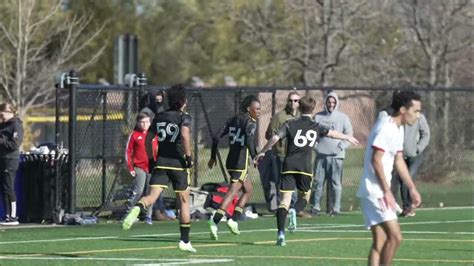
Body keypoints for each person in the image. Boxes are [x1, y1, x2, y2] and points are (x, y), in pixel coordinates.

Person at [254, 96, 358, 246]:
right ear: (313, 109)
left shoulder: (290, 124)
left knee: (284, 201)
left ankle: (281, 235)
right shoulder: (316, 126)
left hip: (288, 165)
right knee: (305, 196)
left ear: (300, 108)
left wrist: (263, 151)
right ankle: (294, 211)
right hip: (305, 167)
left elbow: (275, 137)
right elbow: (332, 133)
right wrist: (347, 137)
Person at [122, 85, 196, 253]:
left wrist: (151, 158)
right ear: (184, 101)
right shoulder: (184, 117)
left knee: (151, 197)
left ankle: (137, 209)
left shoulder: (159, 116)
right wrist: (189, 157)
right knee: (184, 201)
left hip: (161, 162)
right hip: (178, 164)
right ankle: (185, 241)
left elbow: (148, 139)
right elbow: (184, 135)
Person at [356, 90, 422, 265]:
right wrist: (387, 192)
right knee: (396, 237)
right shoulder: (386, 127)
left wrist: (412, 188)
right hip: (375, 191)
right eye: (415, 111)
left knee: (380, 242)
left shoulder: (397, 128)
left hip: (375, 191)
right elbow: (375, 160)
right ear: (402, 110)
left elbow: (399, 159)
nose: (418, 115)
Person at [207, 95, 261, 240]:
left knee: (248, 190)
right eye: (257, 109)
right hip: (240, 162)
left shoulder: (232, 120)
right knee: (232, 192)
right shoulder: (250, 122)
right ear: (249, 109)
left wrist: (213, 156)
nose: (259, 111)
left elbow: (216, 137)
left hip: (230, 160)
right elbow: (249, 139)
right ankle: (215, 221)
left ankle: (233, 220)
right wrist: (255, 156)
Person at [310, 92, 353, 216]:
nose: (331, 104)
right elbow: (312, 135)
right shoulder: (317, 117)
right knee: (318, 182)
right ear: (326, 102)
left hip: (336, 157)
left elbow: (349, 135)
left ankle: (336, 208)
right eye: (329, 102)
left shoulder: (343, 118)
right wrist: (316, 147)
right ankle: (316, 207)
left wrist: (340, 147)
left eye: (334, 102)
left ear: (337, 103)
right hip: (321, 156)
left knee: (336, 184)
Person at [262, 92, 301, 216]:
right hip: (281, 154)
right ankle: (283, 208)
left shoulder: (301, 116)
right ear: (287, 101)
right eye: (290, 100)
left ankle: (294, 208)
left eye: (296, 101)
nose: (293, 103)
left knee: (295, 182)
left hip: (297, 154)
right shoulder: (279, 117)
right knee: (282, 182)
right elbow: (269, 134)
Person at [392, 113, 429, 217]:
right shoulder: (397, 117)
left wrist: (418, 148)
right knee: (399, 181)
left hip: (415, 156)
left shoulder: (419, 117)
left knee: (406, 181)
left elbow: (426, 134)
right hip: (400, 157)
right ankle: (406, 208)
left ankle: (407, 208)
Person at [124, 112, 158, 225]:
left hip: (152, 168)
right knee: (138, 191)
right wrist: (131, 168)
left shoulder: (154, 135)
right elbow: (128, 152)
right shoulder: (134, 135)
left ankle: (148, 216)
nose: (144, 124)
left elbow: (158, 150)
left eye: (147, 122)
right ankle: (129, 214)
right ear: (138, 123)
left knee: (151, 192)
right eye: (142, 122)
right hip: (139, 167)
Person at [0, 103, 23, 225]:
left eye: (2, 114)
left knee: (9, 187)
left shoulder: (16, 125)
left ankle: (13, 216)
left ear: (9, 112)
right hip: (2, 158)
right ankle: (7, 215)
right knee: (3, 188)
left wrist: (1, 141)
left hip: (10, 159)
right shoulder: (3, 125)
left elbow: (14, 144)